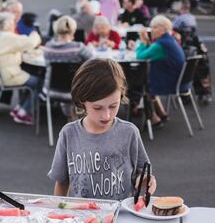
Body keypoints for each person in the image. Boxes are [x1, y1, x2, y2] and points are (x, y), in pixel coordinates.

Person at [48, 58, 157, 200]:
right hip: (82, 216)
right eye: (97, 107)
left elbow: (142, 174)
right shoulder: (69, 134)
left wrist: (146, 181)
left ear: (121, 95)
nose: (106, 115)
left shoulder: (129, 133)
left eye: (113, 106)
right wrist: (58, 210)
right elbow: (62, 181)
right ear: (82, 101)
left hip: (121, 215)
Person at [0, 12, 41, 125]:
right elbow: (30, 43)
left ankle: (20, 108)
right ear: (7, 25)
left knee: (31, 80)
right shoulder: (7, 37)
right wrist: (34, 32)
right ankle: (24, 112)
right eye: (12, 23)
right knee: (39, 83)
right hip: (8, 76)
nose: (14, 26)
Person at [136, 15, 185, 126]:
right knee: (145, 82)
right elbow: (152, 52)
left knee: (139, 86)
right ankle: (160, 113)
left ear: (163, 29)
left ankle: (153, 117)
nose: (151, 30)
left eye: (154, 27)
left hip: (170, 81)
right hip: (179, 80)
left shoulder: (160, 44)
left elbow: (140, 56)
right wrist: (147, 43)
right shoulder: (169, 39)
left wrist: (143, 42)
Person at [43, 15, 93, 120]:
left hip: (52, 91)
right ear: (73, 30)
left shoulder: (48, 47)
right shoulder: (78, 48)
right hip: (75, 92)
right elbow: (93, 62)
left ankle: (70, 115)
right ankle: (79, 117)